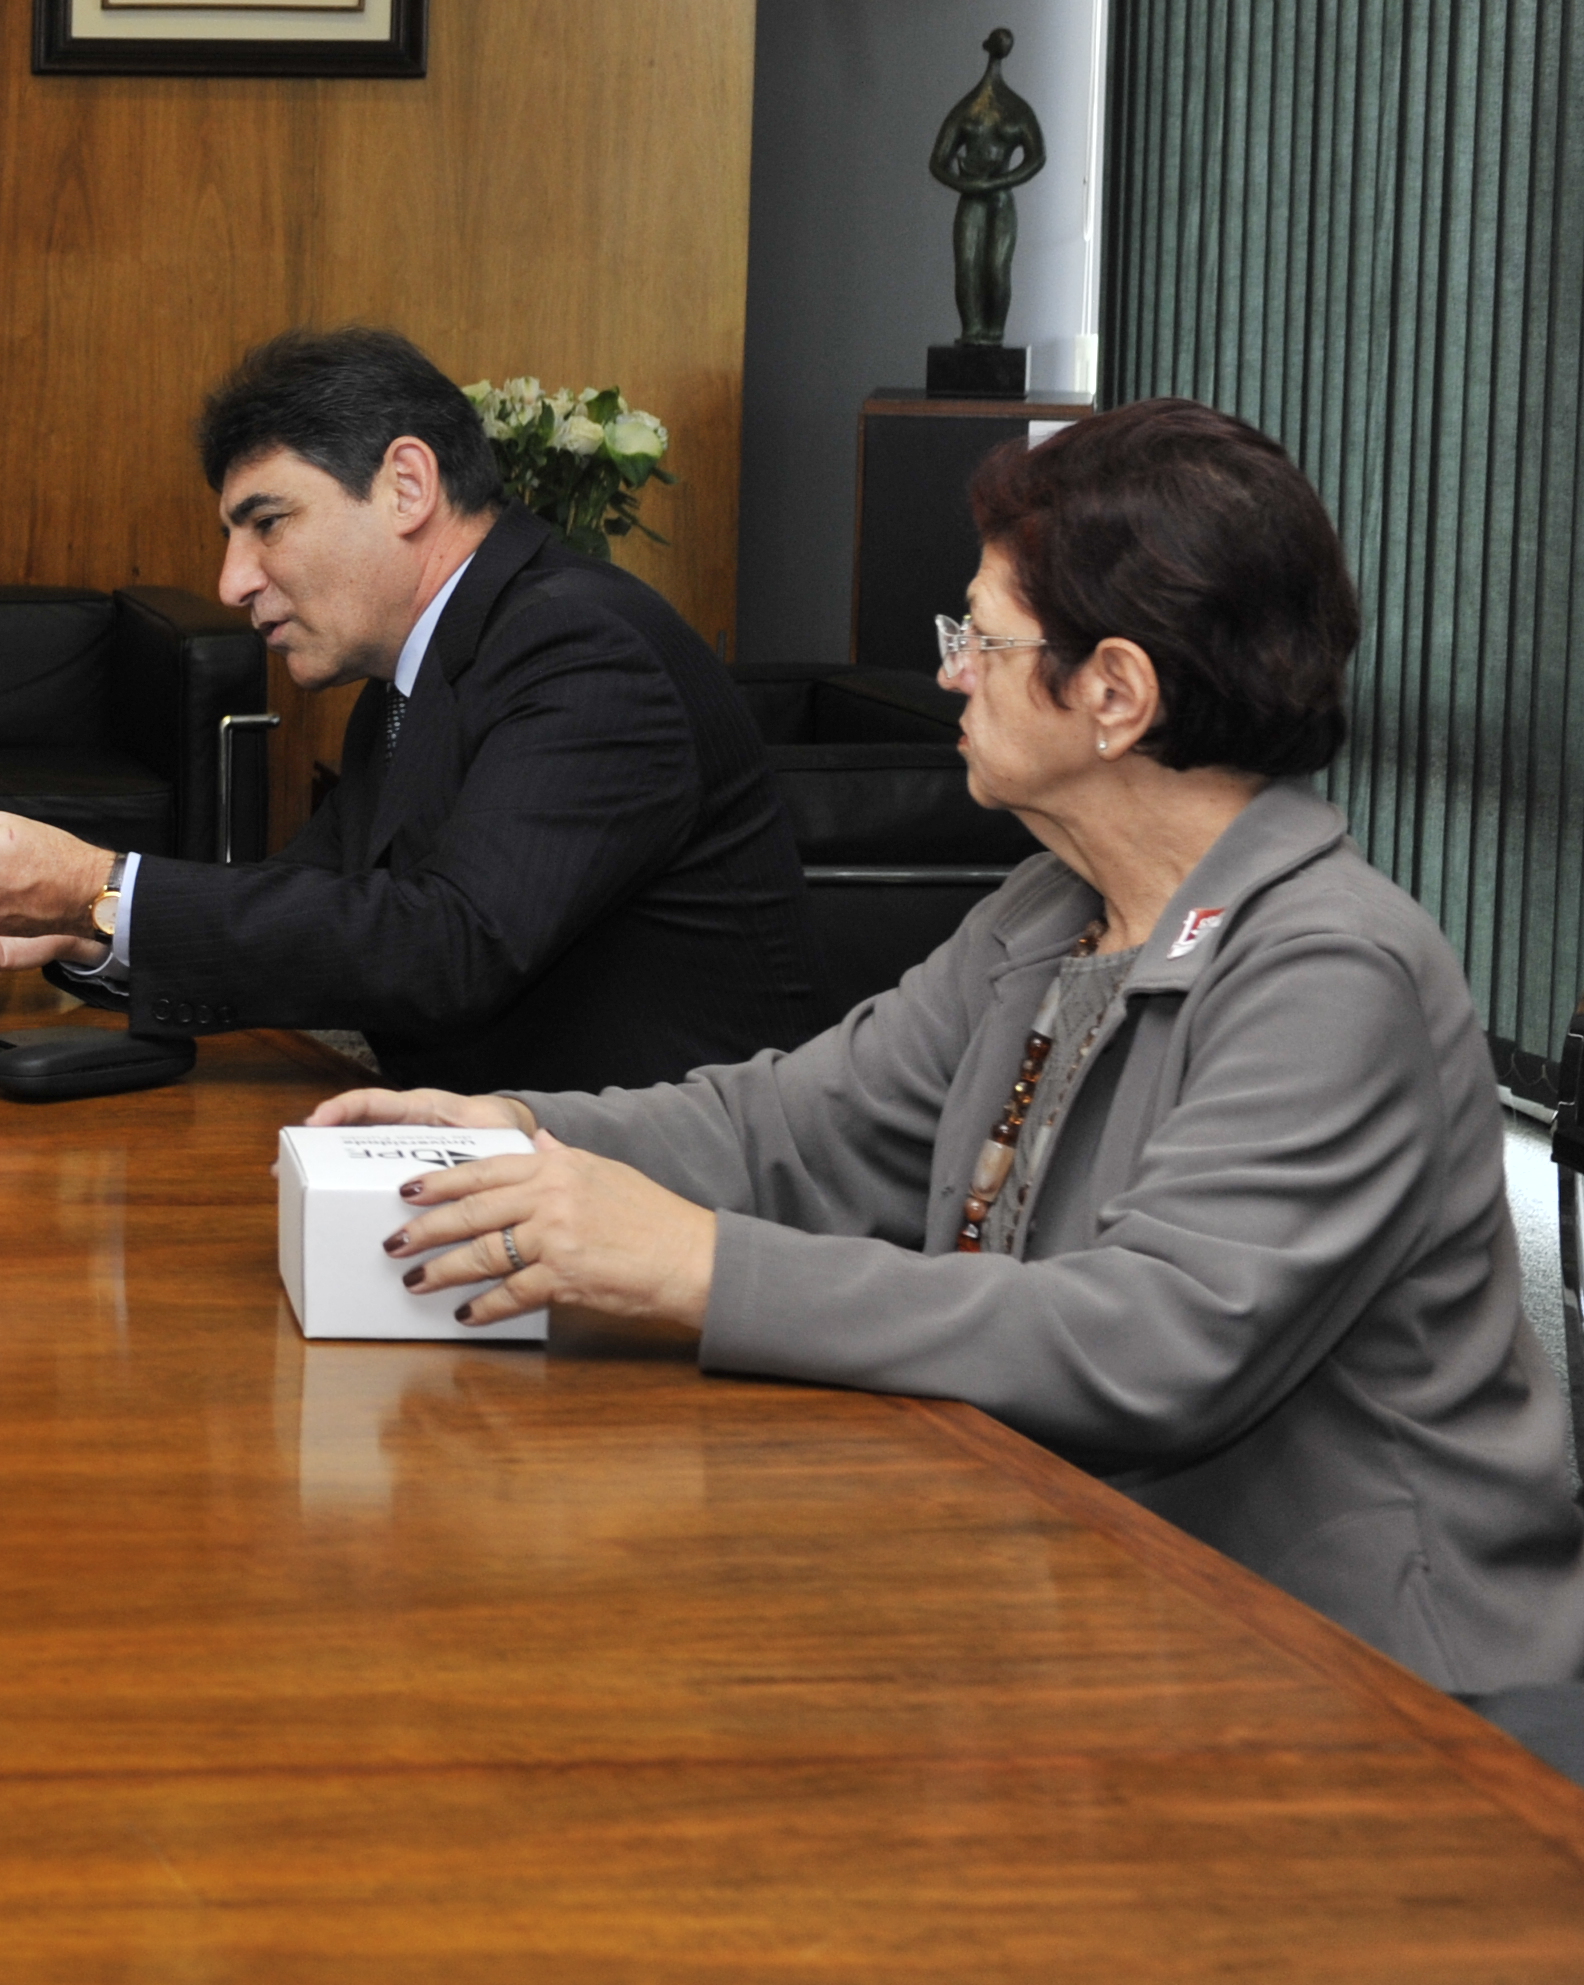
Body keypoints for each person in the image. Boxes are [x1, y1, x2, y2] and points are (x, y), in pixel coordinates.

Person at [346, 400, 1584, 1695]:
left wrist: (697, 1266)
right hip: (1104, 1608)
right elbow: (798, 1128)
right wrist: (516, 1131)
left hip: (1387, 1696)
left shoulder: (1336, 968)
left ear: (1115, 692)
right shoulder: (1051, 909)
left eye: (980, 638)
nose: (948, 672)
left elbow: (1152, 1343)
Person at [0, 327, 811, 1089]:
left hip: (656, 1202)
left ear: (406, 485)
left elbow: (447, 948)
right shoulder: (412, 671)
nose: (229, 582)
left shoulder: (579, 649)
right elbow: (320, 921)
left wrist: (91, 882)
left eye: (266, 524)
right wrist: (72, 930)